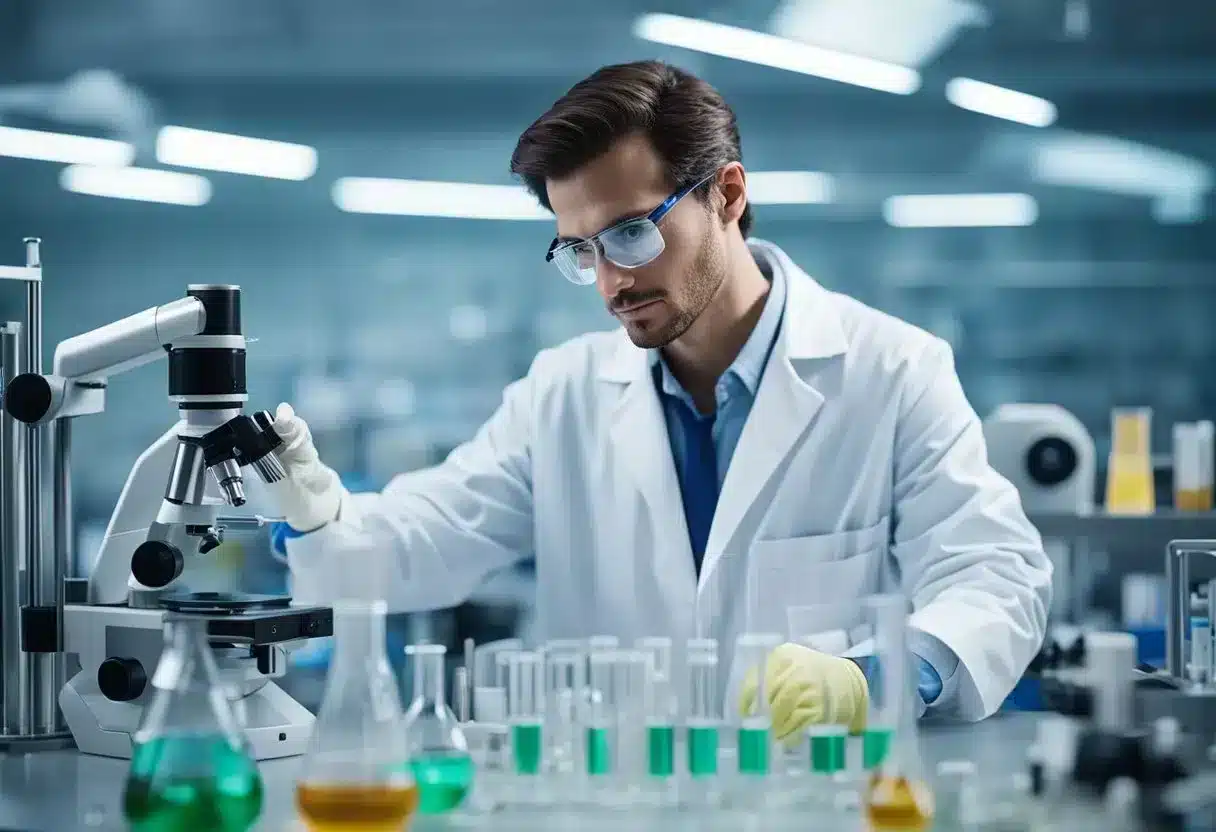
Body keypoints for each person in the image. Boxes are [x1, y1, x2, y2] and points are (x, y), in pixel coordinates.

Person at [269, 60, 1051, 737]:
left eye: (631, 234)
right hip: (616, 799)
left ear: (728, 195)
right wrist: (314, 511)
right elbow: (420, 545)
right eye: (581, 251)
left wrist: (876, 675)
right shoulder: (564, 395)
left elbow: (994, 578)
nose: (611, 283)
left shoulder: (892, 372)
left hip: (810, 797)